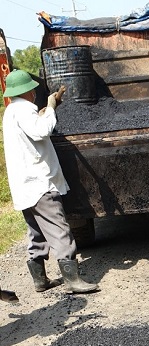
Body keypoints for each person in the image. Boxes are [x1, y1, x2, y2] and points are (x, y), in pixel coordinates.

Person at [2, 69, 99, 294]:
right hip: (39, 184)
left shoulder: (11, 111)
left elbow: (32, 129)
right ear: (29, 91)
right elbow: (41, 131)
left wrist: (45, 111)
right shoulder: (24, 109)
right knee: (58, 229)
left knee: (36, 232)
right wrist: (52, 107)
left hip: (24, 185)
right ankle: (72, 281)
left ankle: (40, 280)